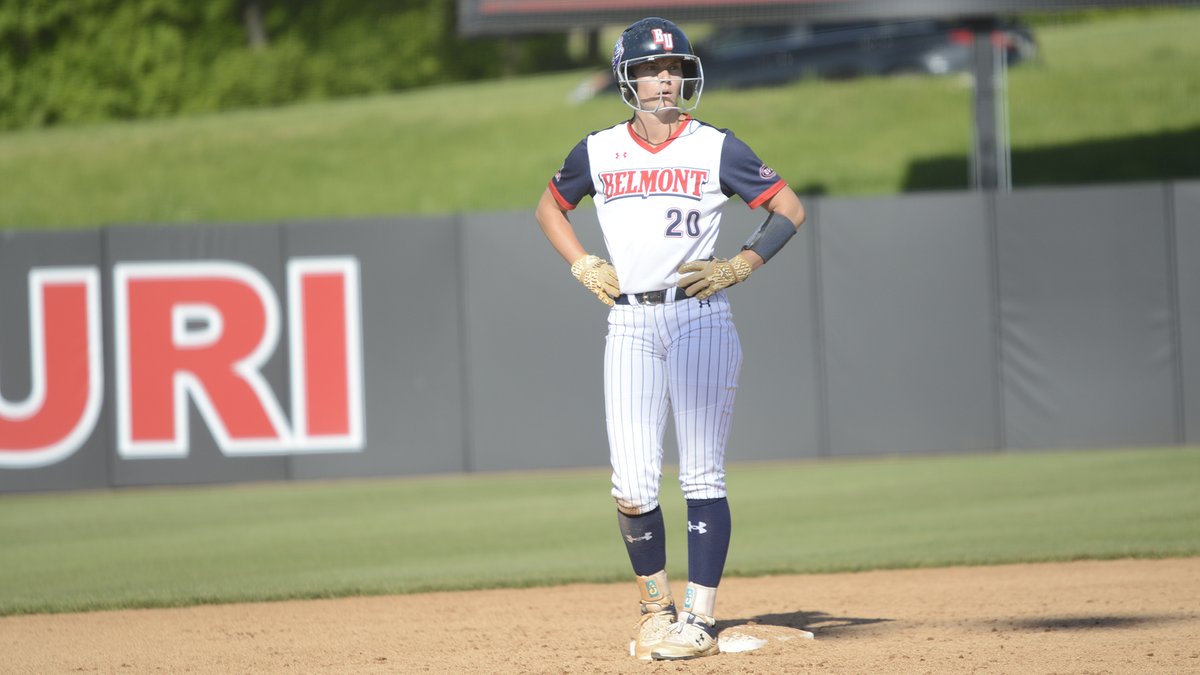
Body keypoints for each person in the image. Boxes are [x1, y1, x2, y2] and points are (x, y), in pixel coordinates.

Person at [534, 16, 806, 661]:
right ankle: (656, 607)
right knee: (631, 483)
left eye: (675, 67)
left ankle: (697, 616)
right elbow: (549, 207)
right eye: (652, 69)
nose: (665, 78)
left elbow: (788, 207)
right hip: (628, 318)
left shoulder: (715, 146)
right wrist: (580, 261)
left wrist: (741, 262)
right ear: (627, 79)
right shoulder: (598, 150)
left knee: (702, 473)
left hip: (698, 315)